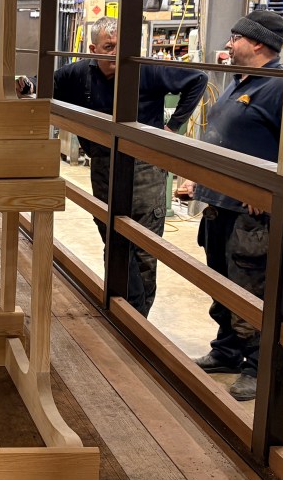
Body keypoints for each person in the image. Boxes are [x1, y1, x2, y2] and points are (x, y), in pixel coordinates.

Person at [53, 17, 207, 316]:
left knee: (144, 247)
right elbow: (47, 89)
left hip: (144, 170)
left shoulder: (144, 69)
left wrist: (172, 128)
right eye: (109, 48)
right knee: (111, 237)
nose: (116, 56)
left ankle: (138, 319)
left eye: (121, 48)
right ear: (93, 48)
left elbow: (197, 79)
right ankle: (118, 309)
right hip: (103, 166)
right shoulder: (77, 74)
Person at [179, 9, 283, 402]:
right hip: (218, 205)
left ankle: (258, 368)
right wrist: (198, 178)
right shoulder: (237, 82)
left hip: (250, 216)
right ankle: (226, 351)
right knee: (222, 283)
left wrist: (267, 188)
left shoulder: (279, 86)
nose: (228, 44)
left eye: (235, 37)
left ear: (257, 42)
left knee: (251, 290)